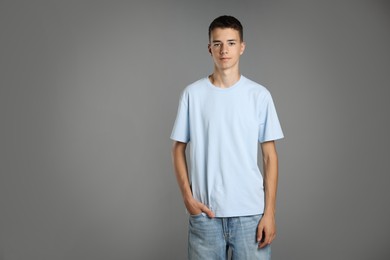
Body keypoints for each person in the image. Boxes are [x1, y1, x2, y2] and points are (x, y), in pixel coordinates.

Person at [170, 15, 284, 259]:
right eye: (218, 43)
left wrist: (269, 213)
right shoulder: (193, 94)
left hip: (251, 216)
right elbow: (177, 149)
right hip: (205, 217)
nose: (224, 50)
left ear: (242, 47)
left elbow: (269, 158)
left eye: (231, 43)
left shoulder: (259, 96)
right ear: (209, 47)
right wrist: (188, 199)